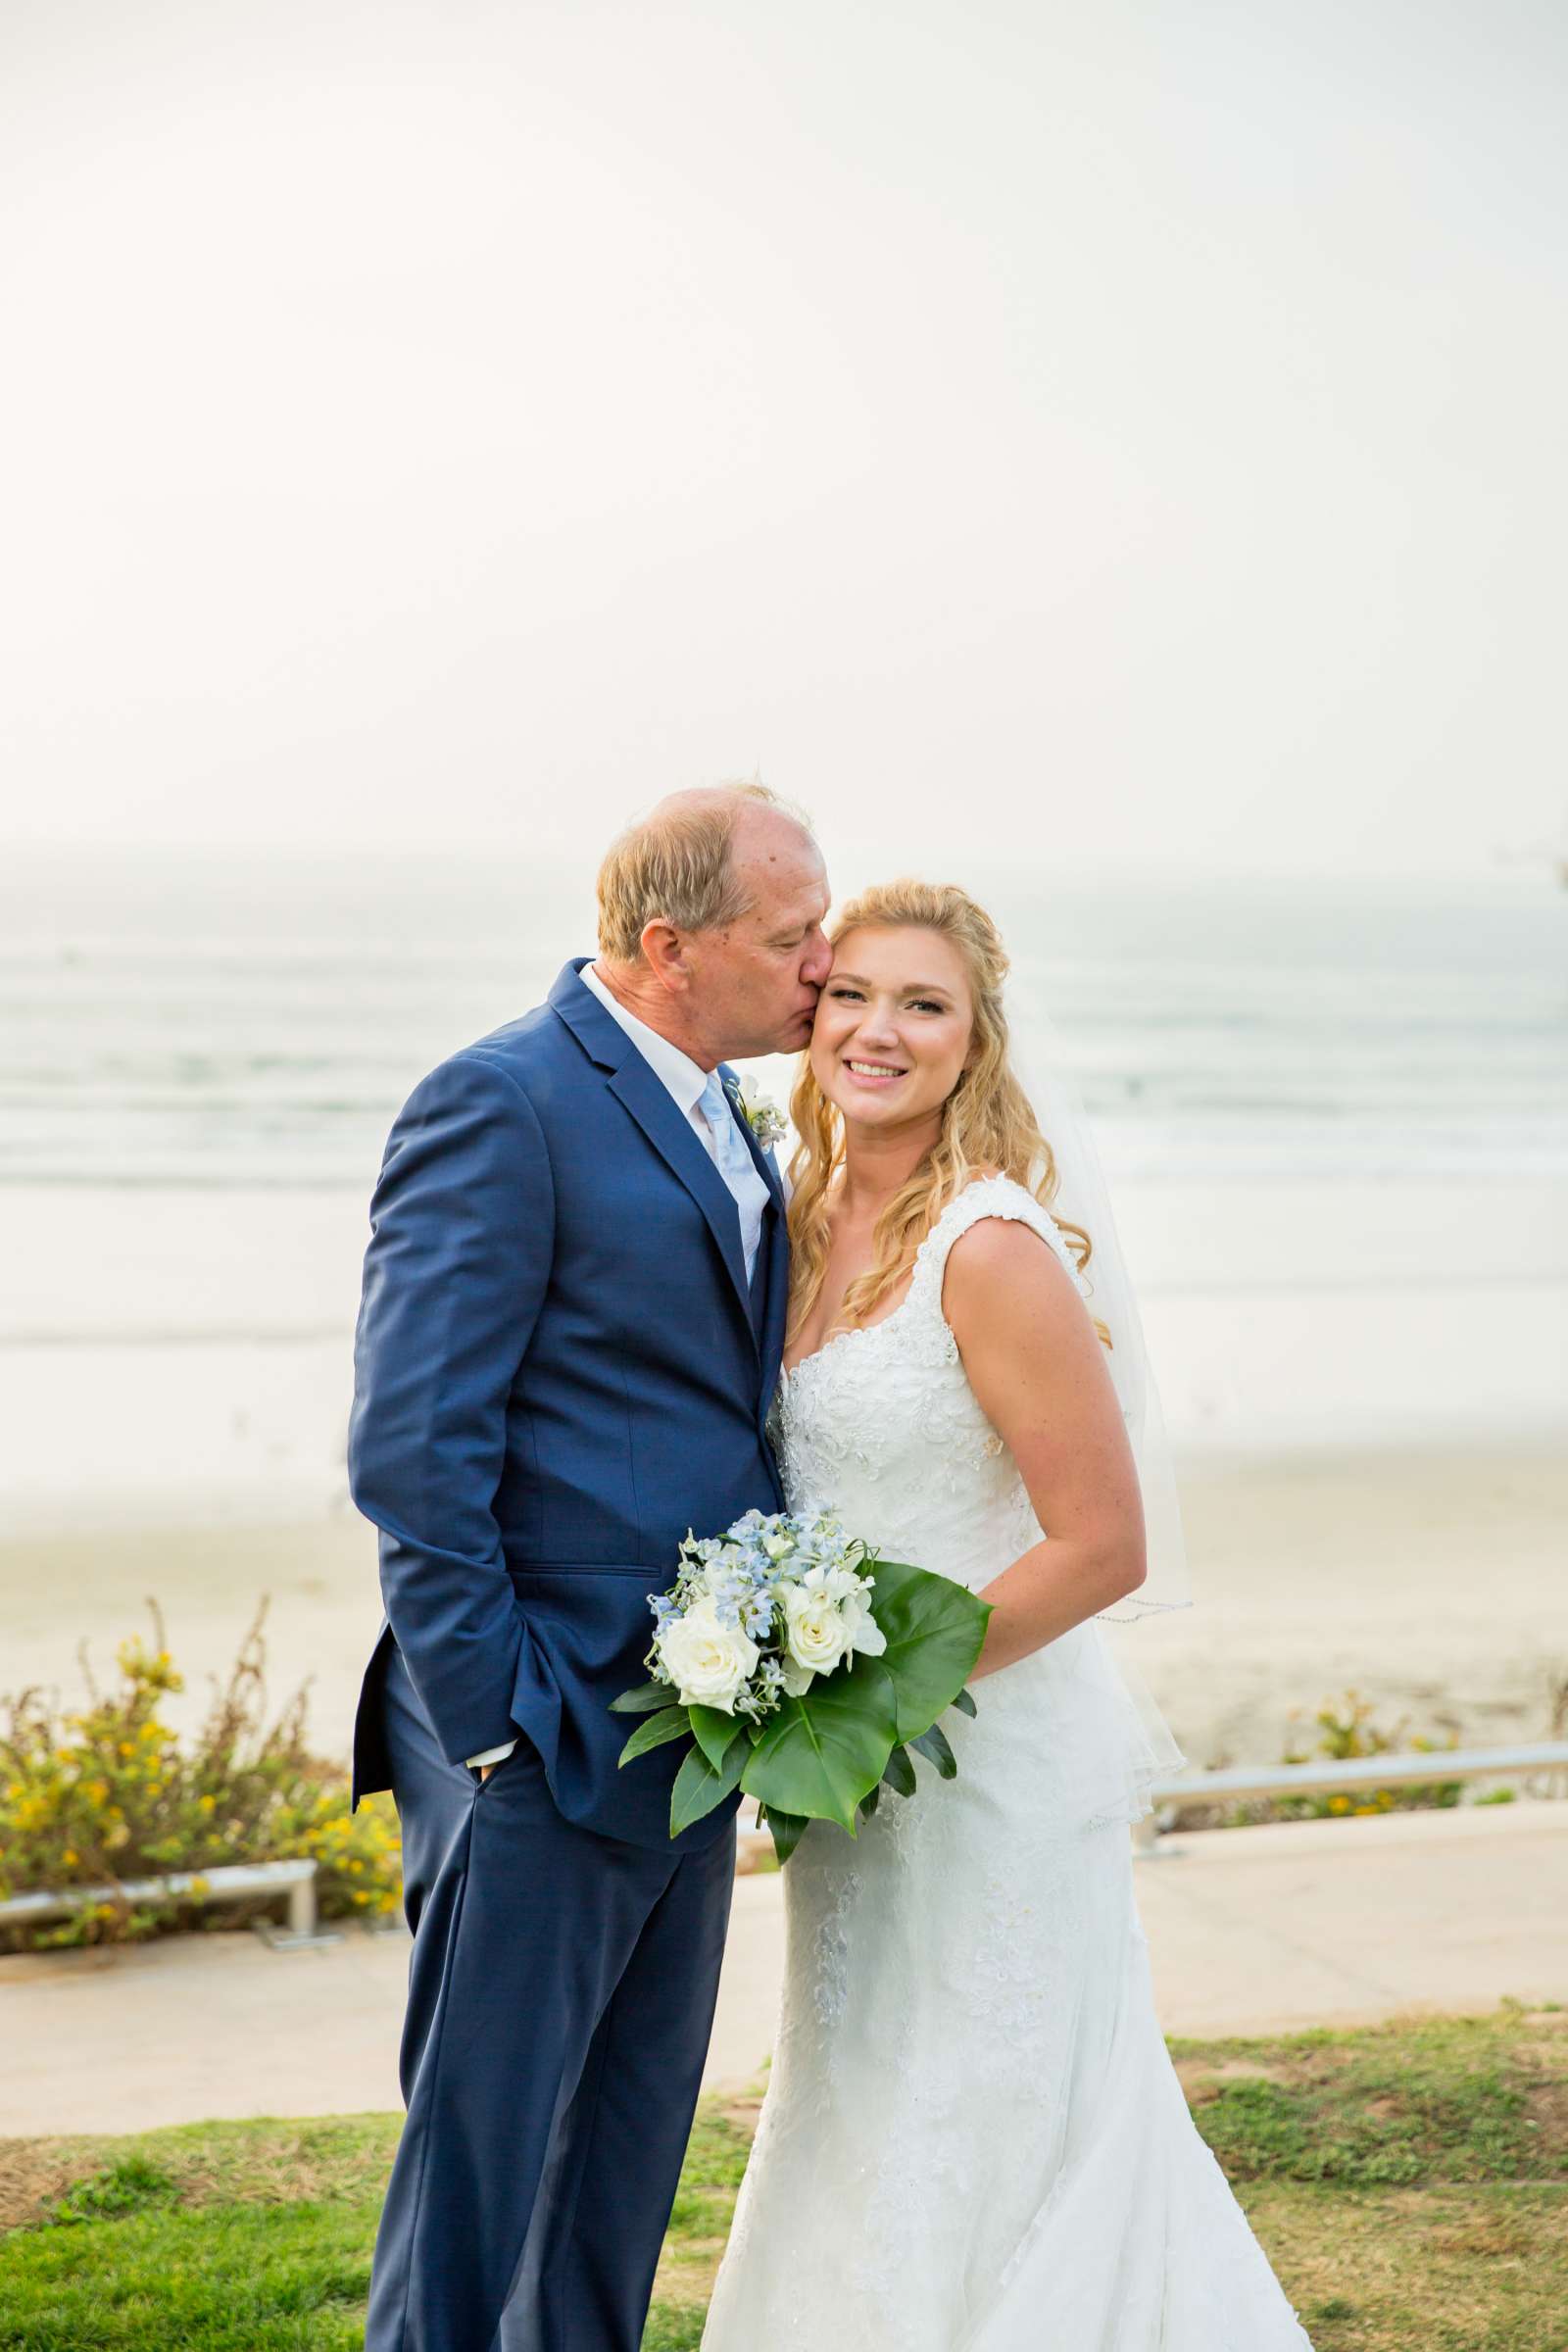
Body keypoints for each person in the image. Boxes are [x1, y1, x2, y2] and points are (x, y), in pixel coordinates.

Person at [701, 879, 1313, 2351]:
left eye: (925, 1006)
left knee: (994, 2096)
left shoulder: (991, 1245)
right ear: (810, 1009)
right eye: (852, 994)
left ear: (976, 1044)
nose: (878, 1030)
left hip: (981, 1759)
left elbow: (1106, 1543)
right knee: (859, 2079)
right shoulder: (798, 1211)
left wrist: (877, 1691)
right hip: (855, 1779)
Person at [346, 782, 830, 2352]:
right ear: (669, 945)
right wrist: (494, 1725)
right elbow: (415, 1451)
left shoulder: (731, 1107)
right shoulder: (502, 1100)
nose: (823, 963)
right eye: (794, 932)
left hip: (688, 1736)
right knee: (479, 2186)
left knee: (618, 2172)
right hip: (540, 1740)